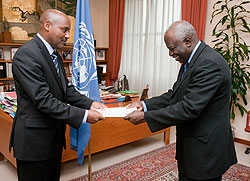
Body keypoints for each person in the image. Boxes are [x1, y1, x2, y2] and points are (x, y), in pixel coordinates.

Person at [125, 20, 237, 181]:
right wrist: (144, 104)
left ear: (188, 42)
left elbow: (188, 108)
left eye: (172, 48)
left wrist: (145, 117)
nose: (170, 54)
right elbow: (175, 94)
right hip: (192, 145)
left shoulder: (209, 64)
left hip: (206, 150)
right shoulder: (192, 61)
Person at [9, 9, 106, 181]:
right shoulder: (27, 55)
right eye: (64, 29)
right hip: (34, 142)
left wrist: (89, 104)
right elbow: (44, 100)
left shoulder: (54, 55)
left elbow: (65, 89)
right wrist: (83, 115)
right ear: (47, 26)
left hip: (52, 139)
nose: (68, 35)